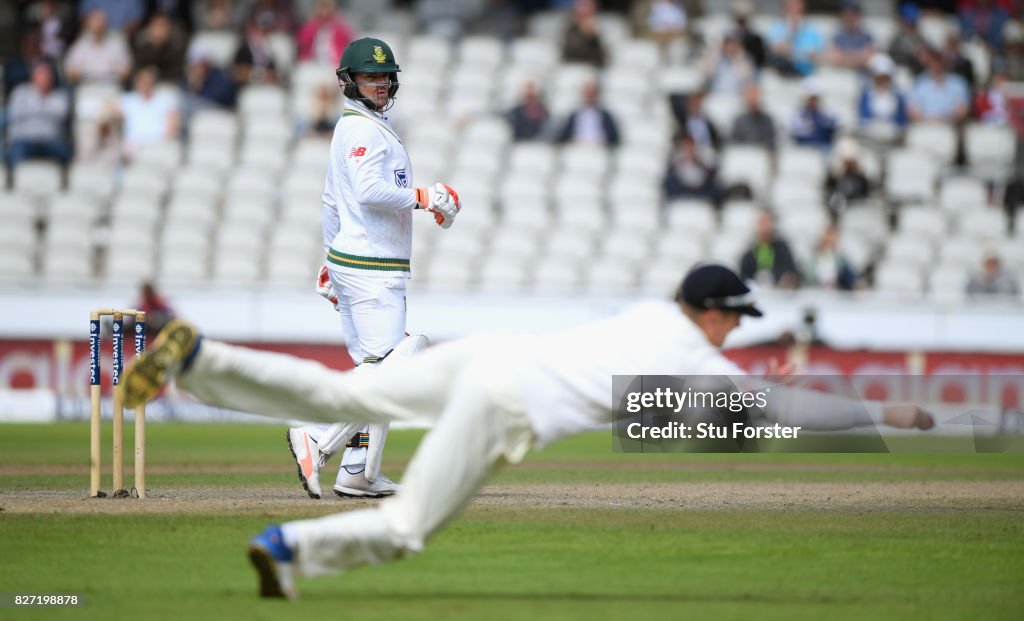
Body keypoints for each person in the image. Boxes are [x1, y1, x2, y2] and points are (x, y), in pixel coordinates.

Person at [119, 264, 935, 599]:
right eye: (736, 317)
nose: (735, 329)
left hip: (488, 354)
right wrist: (883, 414)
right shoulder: (701, 359)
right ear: (715, 312)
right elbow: (786, 413)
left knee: (344, 394)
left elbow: (679, 402)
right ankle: (291, 550)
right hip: (503, 400)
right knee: (406, 527)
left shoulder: (659, 317)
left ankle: (196, 354)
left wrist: (747, 387)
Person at [287, 38, 462, 500]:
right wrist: (425, 197)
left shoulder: (360, 128)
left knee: (376, 366)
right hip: (370, 266)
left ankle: (359, 472)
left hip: (356, 260)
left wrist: (329, 258)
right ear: (350, 81)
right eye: (370, 76)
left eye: (385, 76)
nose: (380, 84)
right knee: (397, 362)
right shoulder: (362, 131)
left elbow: (331, 199)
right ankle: (318, 438)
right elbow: (368, 191)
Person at [103, 66, 180, 161]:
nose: (146, 85)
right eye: (143, 82)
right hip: (133, 146)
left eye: (149, 82)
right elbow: (107, 107)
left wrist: (164, 140)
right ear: (137, 84)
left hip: (158, 144)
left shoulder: (165, 99)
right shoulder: (129, 100)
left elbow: (173, 125)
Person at [4, 62, 71, 168]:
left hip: (51, 141)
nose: (44, 78)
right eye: (41, 74)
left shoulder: (60, 95)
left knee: (65, 152)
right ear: (33, 76)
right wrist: (45, 108)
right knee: (13, 152)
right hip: (25, 140)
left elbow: (61, 115)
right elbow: (15, 113)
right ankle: (9, 180)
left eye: (47, 75)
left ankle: (66, 182)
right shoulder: (20, 92)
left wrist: (33, 110)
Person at [64, 9, 132, 84]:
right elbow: (69, 73)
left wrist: (121, 72)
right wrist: (75, 74)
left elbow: (127, 71)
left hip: (111, 86)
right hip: (86, 87)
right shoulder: (80, 45)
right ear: (88, 24)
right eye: (96, 20)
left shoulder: (118, 43)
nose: (99, 24)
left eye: (102, 21)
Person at [739, 210, 800, 289]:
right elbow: (744, 279)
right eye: (761, 223)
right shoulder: (748, 255)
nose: (764, 228)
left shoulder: (783, 250)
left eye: (767, 223)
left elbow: (791, 272)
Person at [857, 53, 909, 143]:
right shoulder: (866, 94)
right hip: (871, 136)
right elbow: (863, 117)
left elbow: (901, 120)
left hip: (891, 137)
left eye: (885, 77)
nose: (882, 80)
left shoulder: (897, 96)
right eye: (879, 77)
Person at [765, 0, 824, 77]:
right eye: (791, 3)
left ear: (802, 5)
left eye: (796, 3)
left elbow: (819, 55)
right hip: (783, 74)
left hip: (807, 73)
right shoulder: (776, 27)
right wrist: (792, 31)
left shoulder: (812, 29)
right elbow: (774, 49)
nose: (794, 7)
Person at [908, 51, 970, 124]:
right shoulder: (919, 83)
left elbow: (962, 110)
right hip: (925, 125)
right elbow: (913, 110)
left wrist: (947, 120)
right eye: (933, 62)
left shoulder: (958, 83)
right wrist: (930, 120)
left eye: (939, 62)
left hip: (951, 126)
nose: (936, 65)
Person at [555, 81, 621, 147]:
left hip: (600, 148)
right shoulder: (574, 115)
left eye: (592, 94)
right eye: (587, 94)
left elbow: (614, 138)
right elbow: (563, 136)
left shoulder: (605, 116)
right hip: (577, 148)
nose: (589, 96)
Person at [663, 133, 719, 203]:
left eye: (691, 147)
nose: (689, 150)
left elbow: (713, 193)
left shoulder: (707, 172)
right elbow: (671, 192)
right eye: (686, 147)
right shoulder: (673, 172)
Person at [699, 31, 755, 97]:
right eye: (727, 44)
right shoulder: (716, 59)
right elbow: (705, 71)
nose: (730, 47)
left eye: (733, 44)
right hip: (716, 94)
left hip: (736, 95)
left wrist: (737, 58)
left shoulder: (744, 59)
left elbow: (746, 77)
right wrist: (716, 53)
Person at [802, 224, 857, 290]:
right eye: (828, 238)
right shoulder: (812, 258)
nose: (830, 241)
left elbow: (849, 275)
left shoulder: (840, 258)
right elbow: (808, 276)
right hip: (815, 291)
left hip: (834, 293)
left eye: (833, 239)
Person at [789, 77, 838, 151]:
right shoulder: (799, 114)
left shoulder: (826, 113)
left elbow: (831, 129)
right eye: (812, 98)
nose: (814, 101)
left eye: (816, 98)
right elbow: (800, 134)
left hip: (824, 147)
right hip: (806, 148)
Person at [828, 1, 874, 72]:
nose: (850, 18)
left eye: (853, 14)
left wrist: (845, 57)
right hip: (841, 75)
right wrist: (858, 57)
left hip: (862, 76)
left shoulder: (866, 36)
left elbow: (867, 59)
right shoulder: (837, 36)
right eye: (846, 14)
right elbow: (835, 59)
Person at [730, 83, 776, 152]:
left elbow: (771, 141)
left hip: (762, 155)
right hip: (744, 155)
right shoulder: (739, 121)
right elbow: (734, 141)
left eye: (755, 95)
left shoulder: (767, 120)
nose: (753, 99)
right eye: (750, 95)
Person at [561, 0, 606, 67]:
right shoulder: (568, 27)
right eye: (582, 5)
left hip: (596, 66)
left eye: (588, 5)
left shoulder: (603, 26)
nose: (585, 9)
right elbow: (568, 53)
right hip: (572, 66)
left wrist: (593, 37)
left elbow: (602, 56)